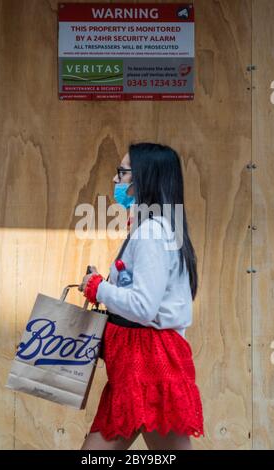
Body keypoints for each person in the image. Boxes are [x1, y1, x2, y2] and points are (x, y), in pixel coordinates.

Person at [79, 142, 204, 450]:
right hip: (134, 366)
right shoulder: (153, 229)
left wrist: (99, 288)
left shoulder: (151, 233)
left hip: (149, 366)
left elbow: (144, 307)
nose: (115, 180)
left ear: (144, 179)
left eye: (122, 173)